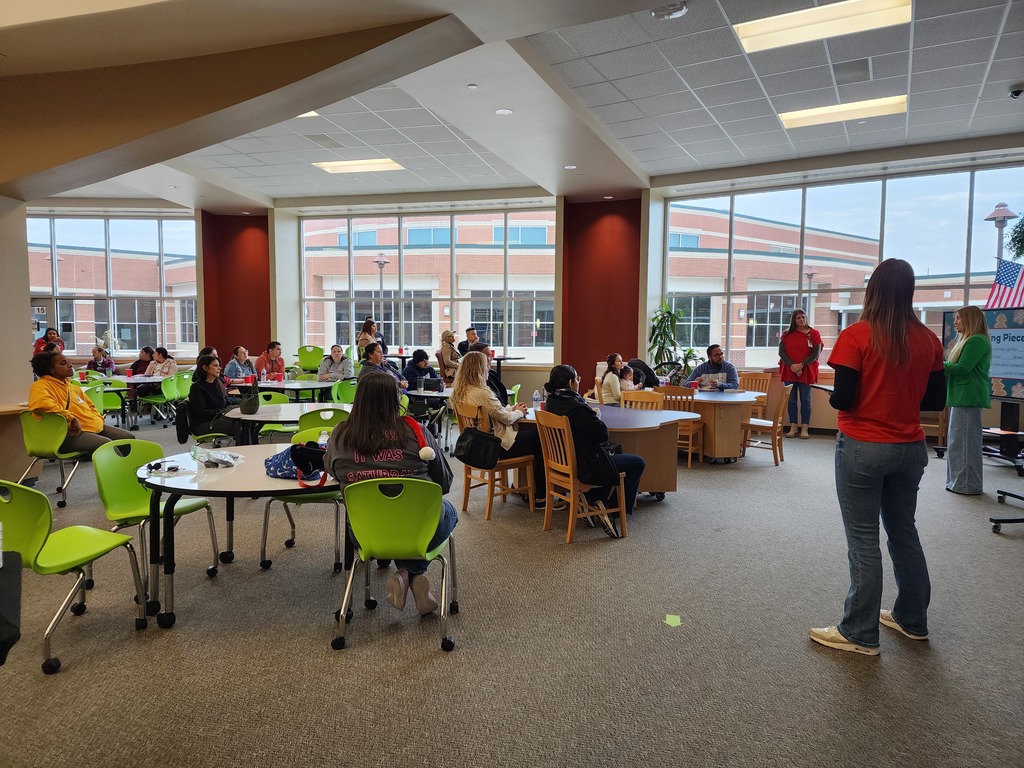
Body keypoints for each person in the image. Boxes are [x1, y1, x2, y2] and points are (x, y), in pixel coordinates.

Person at [810, 259, 945, 657]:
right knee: (904, 531)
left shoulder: (856, 335)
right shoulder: (929, 340)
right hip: (911, 448)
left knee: (863, 539)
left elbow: (844, 399)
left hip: (863, 447)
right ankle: (912, 619)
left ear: (873, 291)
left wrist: (835, 395)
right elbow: (936, 401)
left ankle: (859, 632)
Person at [324, 373, 456, 615]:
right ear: (395, 399)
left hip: (365, 531)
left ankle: (407, 574)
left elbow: (332, 470)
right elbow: (444, 483)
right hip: (420, 527)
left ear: (359, 399)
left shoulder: (340, 434)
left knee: (389, 522)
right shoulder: (416, 432)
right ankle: (411, 574)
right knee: (450, 512)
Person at [544, 364, 647, 537]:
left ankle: (593, 497)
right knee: (638, 463)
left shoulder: (551, 401)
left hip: (563, 463)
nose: (578, 382)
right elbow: (602, 435)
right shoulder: (577, 407)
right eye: (577, 379)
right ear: (571, 383)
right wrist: (594, 416)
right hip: (585, 462)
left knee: (617, 452)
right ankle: (610, 508)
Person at [450, 351, 548, 510]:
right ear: (479, 369)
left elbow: (496, 413)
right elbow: (506, 419)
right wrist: (519, 412)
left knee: (530, 437)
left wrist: (512, 409)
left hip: (475, 446)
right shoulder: (482, 392)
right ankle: (541, 496)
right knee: (539, 437)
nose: (489, 369)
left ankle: (528, 489)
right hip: (494, 448)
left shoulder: (460, 391)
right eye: (487, 366)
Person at [28, 351, 134, 454]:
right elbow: (43, 405)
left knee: (128, 438)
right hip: (66, 433)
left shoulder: (73, 387)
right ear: (51, 370)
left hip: (91, 427)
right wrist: (71, 418)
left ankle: (123, 470)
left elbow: (91, 406)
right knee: (106, 445)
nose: (70, 365)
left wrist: (98, 420)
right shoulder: (41, 386)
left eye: (68, 361)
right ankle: (108, 468)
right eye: (63, 363)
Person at [943, 305, 991, 495]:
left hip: (968, 397)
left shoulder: (977, 341)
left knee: (964, 442)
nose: (955, 322)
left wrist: (938, 366)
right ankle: (957, 481)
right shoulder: (967, 341)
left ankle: (966, 485)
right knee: (957, 441)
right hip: (961, 397)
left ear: (970, 320)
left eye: (959, 318)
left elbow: (963, 368)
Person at [779, 309, 823, 439]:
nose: (801, 320)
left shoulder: (814, 333)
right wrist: (793, 366)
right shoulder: (786, 334)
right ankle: (793, 427)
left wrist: (801, 365)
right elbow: (781, 352)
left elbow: (816, 353)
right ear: (794, 320)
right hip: (789, 370)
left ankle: (805, 427)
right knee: (791, 399)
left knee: (806, 399)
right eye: (798, 318)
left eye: (803, 317)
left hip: (807, 371)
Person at [188, 354, 240, 442]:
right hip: (204, 424)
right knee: (239, 424)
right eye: (215, 366)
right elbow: (201, 413)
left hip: (217, 419)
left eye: (219, 365)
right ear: (205, 368)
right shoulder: (197, 388)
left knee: (243, 422)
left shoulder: (217, 384)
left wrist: (241, 402)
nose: (219, 368)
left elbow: (225, 401)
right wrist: (222, 413)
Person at [469, 341, 508, 406]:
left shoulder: (492, 374)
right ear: (478, 358)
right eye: (488, 356)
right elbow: (498, 410)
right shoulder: (480, 383)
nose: (491, 359)